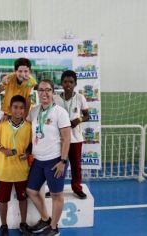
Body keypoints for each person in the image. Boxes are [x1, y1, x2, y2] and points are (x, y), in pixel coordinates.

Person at [26, 79, 71, 236]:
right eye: (41, 90)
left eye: (48, 90)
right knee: (31, 190)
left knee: (56, 195)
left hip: (55, 160)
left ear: (53, 92)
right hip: (38, 160)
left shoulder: (60, 112)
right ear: (37, 92)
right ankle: (45, 218)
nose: (44, 93)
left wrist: (63, 161)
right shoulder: (34, 111)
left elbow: (66, 138)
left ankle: (53, 227)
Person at [0, 95, 32, 236]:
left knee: (23, 198)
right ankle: (3, 226)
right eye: (15, 107)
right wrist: (3, 149)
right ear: (9, 109)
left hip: (21, 170)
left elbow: (31, 145)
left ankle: (23, 223)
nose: (18, 111)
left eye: (21, 108)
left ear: (24, 110)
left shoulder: (28, 127)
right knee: (3, 200)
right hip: (4, 170)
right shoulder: (1, 125)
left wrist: (27, 153)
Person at [51, 70, 90, 199]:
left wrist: (78, 120)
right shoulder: (55, 98)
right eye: (66, 81)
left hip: (76, 139)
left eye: (71, 82)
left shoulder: (80, 98)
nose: (68, 84)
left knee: (76, 166)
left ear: (75, 84)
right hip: (60, 139)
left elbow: (87, 116)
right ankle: (55, 188)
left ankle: (77, 188)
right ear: (61, 83)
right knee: (58, 165)